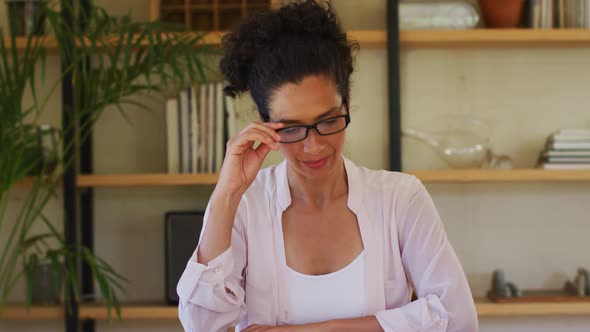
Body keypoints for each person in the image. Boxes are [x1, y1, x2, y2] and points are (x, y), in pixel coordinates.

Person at [177, 1, 478, 331]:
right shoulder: (245, 205)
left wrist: (325, 329)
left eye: (328, 120)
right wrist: (226, 194)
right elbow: (202, 326)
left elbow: (458, 319)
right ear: (264, 124)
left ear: (346, 101)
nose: (314, 146)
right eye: (291, 128)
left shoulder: (400, 198)